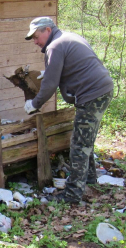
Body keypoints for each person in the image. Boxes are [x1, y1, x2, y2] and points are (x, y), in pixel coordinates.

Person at [24, 17, 114, 204]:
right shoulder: (68, 37)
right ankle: (89, 177)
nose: (35, 41)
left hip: (92, 95)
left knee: (78, 145)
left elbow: (49, 85)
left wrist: (34, 103)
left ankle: (73, 194)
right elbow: (71, 66)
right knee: (85, 139)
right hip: (102, 89)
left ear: (47, 30)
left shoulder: (54, 46)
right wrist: (48, 73)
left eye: (36, 36)